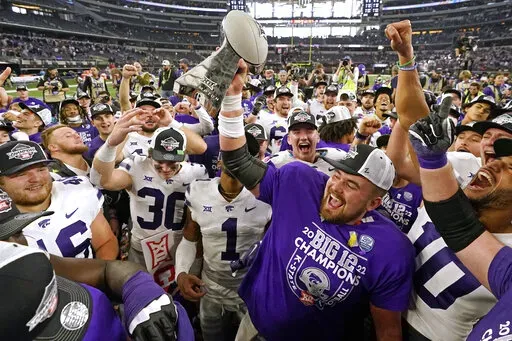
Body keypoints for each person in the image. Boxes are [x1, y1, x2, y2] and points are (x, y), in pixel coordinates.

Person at [218, 57, 414, 340]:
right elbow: (237, 162)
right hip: (256, 327)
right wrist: (232, 96)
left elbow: (387, 331)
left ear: (373, 203)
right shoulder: (299, 180)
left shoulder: (391, 248)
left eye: (352, 185)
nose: (336, 188)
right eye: (338, 176)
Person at [0, 198, 192, 341]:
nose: (14, 246)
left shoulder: (27, 257)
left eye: (17, 233)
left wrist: (138, 287)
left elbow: (105, 270)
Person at [408, 107, 512, 341]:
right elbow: (457, 225)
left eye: (510, 166)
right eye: (488, 137)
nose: (491, 164)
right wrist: (432, 160)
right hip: (387, 309)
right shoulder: (461, 173)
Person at [92, 121, 207, 286]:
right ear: (150, 153)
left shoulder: (197, 172)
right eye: (160, 160)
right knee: (142, 294)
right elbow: (101, 180)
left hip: (180, 247)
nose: (166, 168)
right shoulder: (137, 165)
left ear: (184, 155)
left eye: (172, 161)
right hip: (142, 248)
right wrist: (111, 144)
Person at [176, 146, 272, 341]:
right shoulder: (198, 191)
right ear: (219, 161)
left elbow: (273, 247)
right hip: (211, 284)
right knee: (211, 336)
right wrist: (182, 272)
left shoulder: (268, 196)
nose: (236, 172)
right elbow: (190, 237)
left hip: (251, 287)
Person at [0, 141, 118, 260]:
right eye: (21, 174)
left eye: (41, 170)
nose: (36, 179)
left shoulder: (77, 191)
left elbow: (105, 242)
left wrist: (101, 275)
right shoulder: (4, 221)